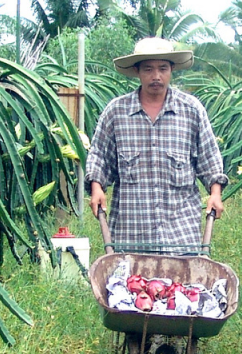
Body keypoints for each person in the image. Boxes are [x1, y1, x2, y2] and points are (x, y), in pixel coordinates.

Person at [86, 36, 226, 252]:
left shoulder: (191, 110)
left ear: (172, 70)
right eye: (148, 69)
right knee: (130, 285)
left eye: (163, 68)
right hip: (131, 233)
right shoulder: (116, 112)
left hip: (180, 234)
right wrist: (97, 188)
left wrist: (215, 194)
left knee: (184, 285)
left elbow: (209, 157)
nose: (156, 76)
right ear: (137, 71)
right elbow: (99, 157)